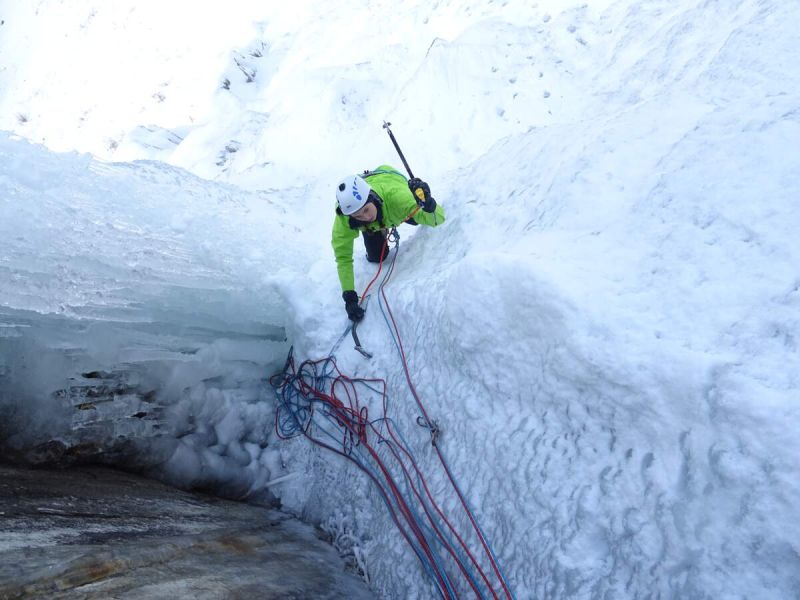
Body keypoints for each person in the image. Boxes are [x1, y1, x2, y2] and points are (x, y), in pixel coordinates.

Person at [332, 165, 446, 321]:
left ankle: (388, 223)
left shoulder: (398, 199)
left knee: (416, 218)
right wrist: (349, 296)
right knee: (377, 256)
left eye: (366, 210)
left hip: (391, 185)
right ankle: (380, 228)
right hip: (379, 213)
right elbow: (343, 257)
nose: (364, 217)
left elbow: (438, 219)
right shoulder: (345, 216)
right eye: (358, 216)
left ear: (372, 197)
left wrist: (429, 204)